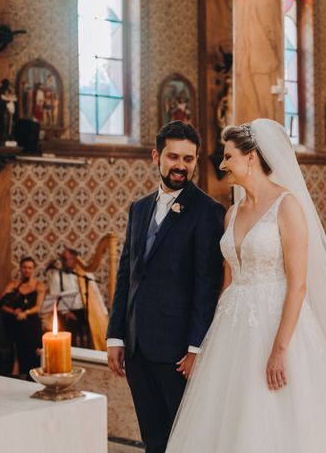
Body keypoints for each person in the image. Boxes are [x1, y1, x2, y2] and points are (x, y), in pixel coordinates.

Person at [166, 120, 326, 452]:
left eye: (228, 156)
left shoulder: (287, 207)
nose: (223, 164)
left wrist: (279, 349)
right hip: (231, 332)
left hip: (278, 327)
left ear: (252, 156)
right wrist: (208, 345)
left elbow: (298, 285)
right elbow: (227, 284)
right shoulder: (231, 214)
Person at [106, 121, 225, 453]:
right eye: (174, 157)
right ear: (156, 156)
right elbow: (125, 275)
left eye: (188, 159)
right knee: (153, 438)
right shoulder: (139, 209)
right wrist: (116, 335)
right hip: (135, 346)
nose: (181, 166)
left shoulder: (207, 211)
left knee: (183, 439)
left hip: (176, 351)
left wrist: (195, 348)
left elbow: (207, 284)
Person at [41, 248, 97, 346]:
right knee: (69, 328)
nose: (63, 262)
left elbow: (96, 296)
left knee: (93, 328)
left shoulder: (86, 275)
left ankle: (89, 352)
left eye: (65, 259)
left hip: (84, 310)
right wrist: (66, 312)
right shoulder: (57, 276)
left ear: (74, 259)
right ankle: (72, 353)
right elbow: (55, 297)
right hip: (67, 311)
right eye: (61, 259)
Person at [0, 257, 45, 377]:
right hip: (15, 320)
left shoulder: (38, 285)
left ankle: (32, 371)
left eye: (30, 268)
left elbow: (38, 307)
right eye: (25, 267)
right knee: (18, 331)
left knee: (30, 331)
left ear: (33, 269)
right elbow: (2, 305)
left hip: (31, 319)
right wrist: (14, 312)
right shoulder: (13, 284)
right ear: (20, 268)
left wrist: (26, 312)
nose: (27, 270)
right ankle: (17, 369)